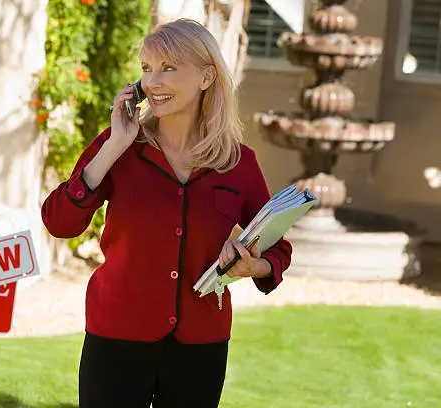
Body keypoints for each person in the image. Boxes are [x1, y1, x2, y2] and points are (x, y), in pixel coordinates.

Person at [41, 18, 292, 408]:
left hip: (200, 346)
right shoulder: (119, 147)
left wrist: (252, 267)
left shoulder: (238, 163)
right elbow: (59, 222)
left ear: (207, 76)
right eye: (146, 68)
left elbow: (278, 247)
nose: (153, 81)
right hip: (117, 337)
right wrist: (114, 144)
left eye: (169, 68)